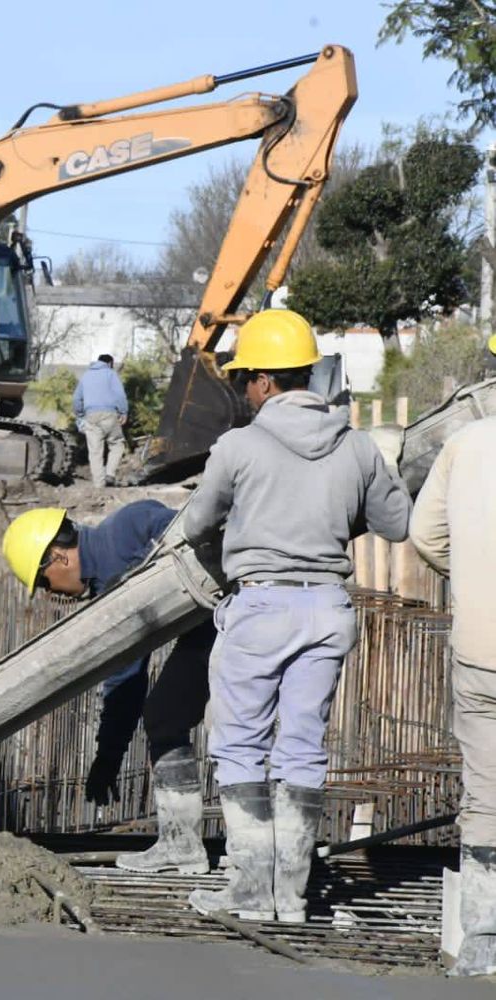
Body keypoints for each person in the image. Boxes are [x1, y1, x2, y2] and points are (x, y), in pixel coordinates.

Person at [182, 309, 409, 923]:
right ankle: (290, 895)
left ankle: (250, 891)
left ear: (261, 380)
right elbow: (397, 524)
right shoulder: (357, 445)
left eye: (243, 382)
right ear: (307, 373)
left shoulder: (238, 446)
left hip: (260, 606)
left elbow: (196, 523)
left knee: (241, 745)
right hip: (327, 609)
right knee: (303, 748)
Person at [2, 502, 215, 874]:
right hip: (204, 636)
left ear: (57, 558)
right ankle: (182, 846)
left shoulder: (129, 527)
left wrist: (108, 758)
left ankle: (262, 858)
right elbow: (126, 677)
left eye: (45, 583)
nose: (55, 595)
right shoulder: (110, 579)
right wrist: (109, 756)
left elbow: (193, 534)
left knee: (238, 734)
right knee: (164, 716)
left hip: (237, 621)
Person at [409, 406, 496, 977]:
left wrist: (466, 572)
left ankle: (484, 939)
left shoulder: (467, 443)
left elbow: (423, 535)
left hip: (483, 646)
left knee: (487, 792)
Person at [72, 353, 128, 486]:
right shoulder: (110, 374)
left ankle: (99, 486)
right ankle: (110, 474)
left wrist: (80, 415)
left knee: (95, 452)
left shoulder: (86, 375)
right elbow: (120, 394)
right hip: (109, 413)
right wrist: (123, 412)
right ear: (109, 364)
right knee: (117, 444)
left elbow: (76, 399)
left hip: (90, 415)